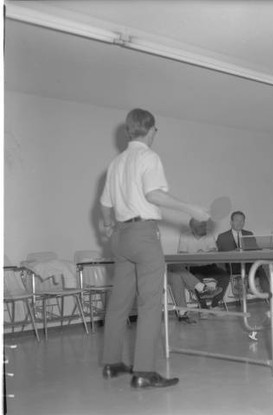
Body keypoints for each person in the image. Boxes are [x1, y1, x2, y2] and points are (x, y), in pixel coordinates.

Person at [99, 108, 209, 389]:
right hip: (143, 234)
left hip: (120, 236)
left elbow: (104, 205)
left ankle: (112, 364)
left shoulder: (116, 162)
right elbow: (153, 194)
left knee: (119, 301)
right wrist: (190, 208)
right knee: (149, 303)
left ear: (128, 131)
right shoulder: (148, 156)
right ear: (152, 130)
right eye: (155, 131)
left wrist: (108, 224)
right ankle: (144, 372)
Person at [216, 211, 273, 310]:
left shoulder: (249, 234)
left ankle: (272, 299)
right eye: (237, 220)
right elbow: (218, 255)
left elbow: (255, 250)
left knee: (260, 268)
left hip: (248, 264)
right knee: (256, 267)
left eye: (242, 221)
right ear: (231, 222)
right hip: (232, 266)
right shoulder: (222, 236)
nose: (239, 223)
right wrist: (233, 252)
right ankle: (250, 287)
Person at [177, 218, 230, 310]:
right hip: (193, 268)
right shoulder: (185, 236)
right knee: (197, 279)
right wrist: (199, 255)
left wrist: (200, 254)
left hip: (210, 266)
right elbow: (182, 255)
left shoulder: (209, 234)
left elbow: (214, 251)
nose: (204, 228)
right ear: (193, 228)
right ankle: (203, 307)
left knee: (224, 276)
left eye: (204, 225)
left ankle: (215, 304)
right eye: (201, 226)